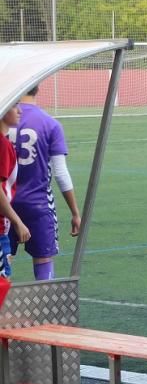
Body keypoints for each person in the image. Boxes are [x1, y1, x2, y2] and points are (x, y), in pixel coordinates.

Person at [9, 86, 81, 280]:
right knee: (43, 259)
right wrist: (75, 213)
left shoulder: (5, 118)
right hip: (38, 204)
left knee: (4, 261)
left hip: (4, 206)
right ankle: (45, 298)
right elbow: (61, 173)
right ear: (38, 88)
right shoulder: (50, 124)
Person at [0, 105, 30, 277]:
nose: (20, 111)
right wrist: (17, 222)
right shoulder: (3, 145)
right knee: (2, 285)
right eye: (14, 105)